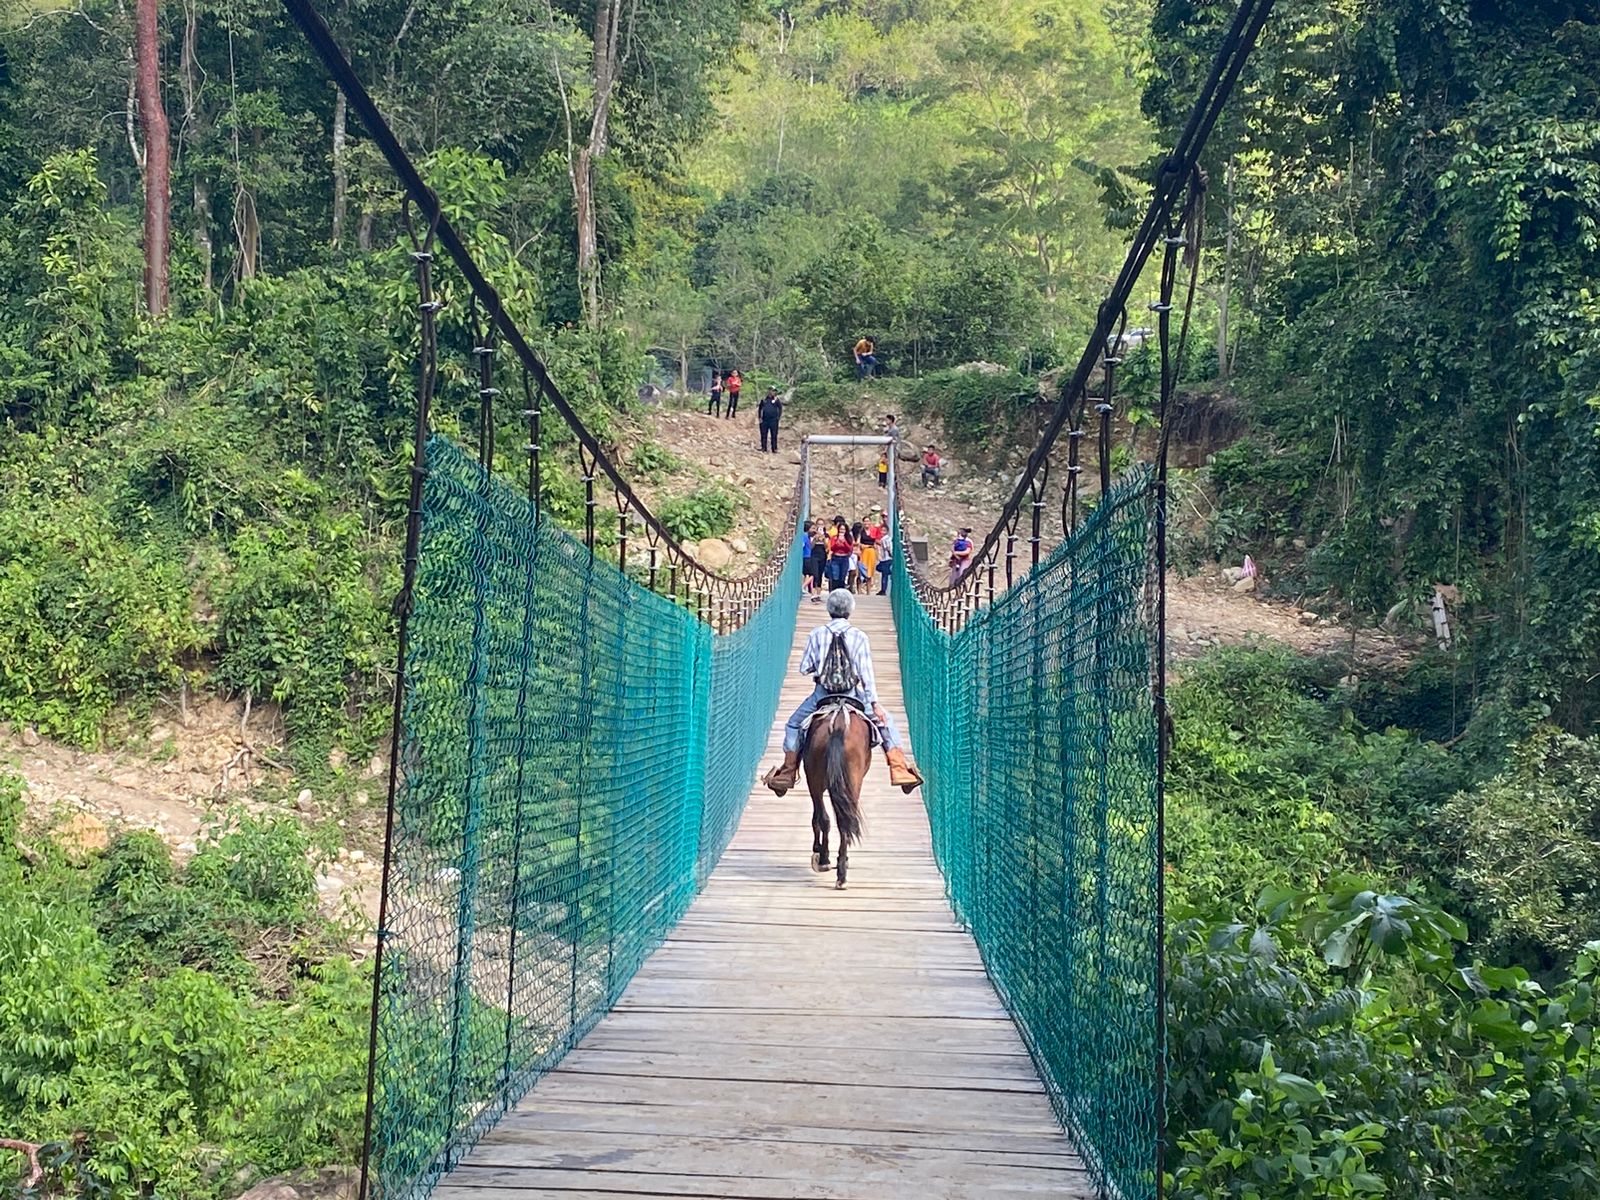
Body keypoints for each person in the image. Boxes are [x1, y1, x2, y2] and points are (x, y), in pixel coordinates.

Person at [763, 588, 924, 793]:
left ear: (829, 609)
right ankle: (900, 769)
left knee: (794, 724)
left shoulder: (816, 634)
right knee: (886, 723)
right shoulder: (859, 636)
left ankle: (788, 770)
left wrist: (820, 666)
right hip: (852, 695)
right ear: (850, 610)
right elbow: (866, 675)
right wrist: (874, 704)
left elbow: (804, 668)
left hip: (822, 695)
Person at [826, 518, 853, 591]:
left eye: (843, 529)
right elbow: (832, 548)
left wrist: (844, 542)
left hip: (844, 558)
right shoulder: (834, 538)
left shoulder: (848, 538)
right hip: (836, 558)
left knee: (842, 577)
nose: (842, 531)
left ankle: (841, 591)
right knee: (835, 577)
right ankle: (834, 591)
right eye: (840, 529)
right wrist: (837, 543)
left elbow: (849, 549)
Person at [758, 386, 783, 453]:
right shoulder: (764, 399)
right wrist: (760, 417)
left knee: (774, 434)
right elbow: (760, 408)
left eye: (773, 391)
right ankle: (764, 448)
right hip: (764, 420)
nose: (772, 392)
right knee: (763, 434)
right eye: (771, 390)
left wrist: (778, 417)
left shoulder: (777, 400)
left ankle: (774, 448)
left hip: (773, 420)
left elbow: (780, 408)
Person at [858, 517, 879, 582]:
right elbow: (858, 542)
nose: (866, 523)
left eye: (868, 521)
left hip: (872, 552)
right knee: (862, 569)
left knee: (870, 571)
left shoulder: (873, 531)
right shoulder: (861, 532)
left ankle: (868, 590)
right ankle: (859, 589)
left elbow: (876, 541)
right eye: (865, 521)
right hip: (864, 551)